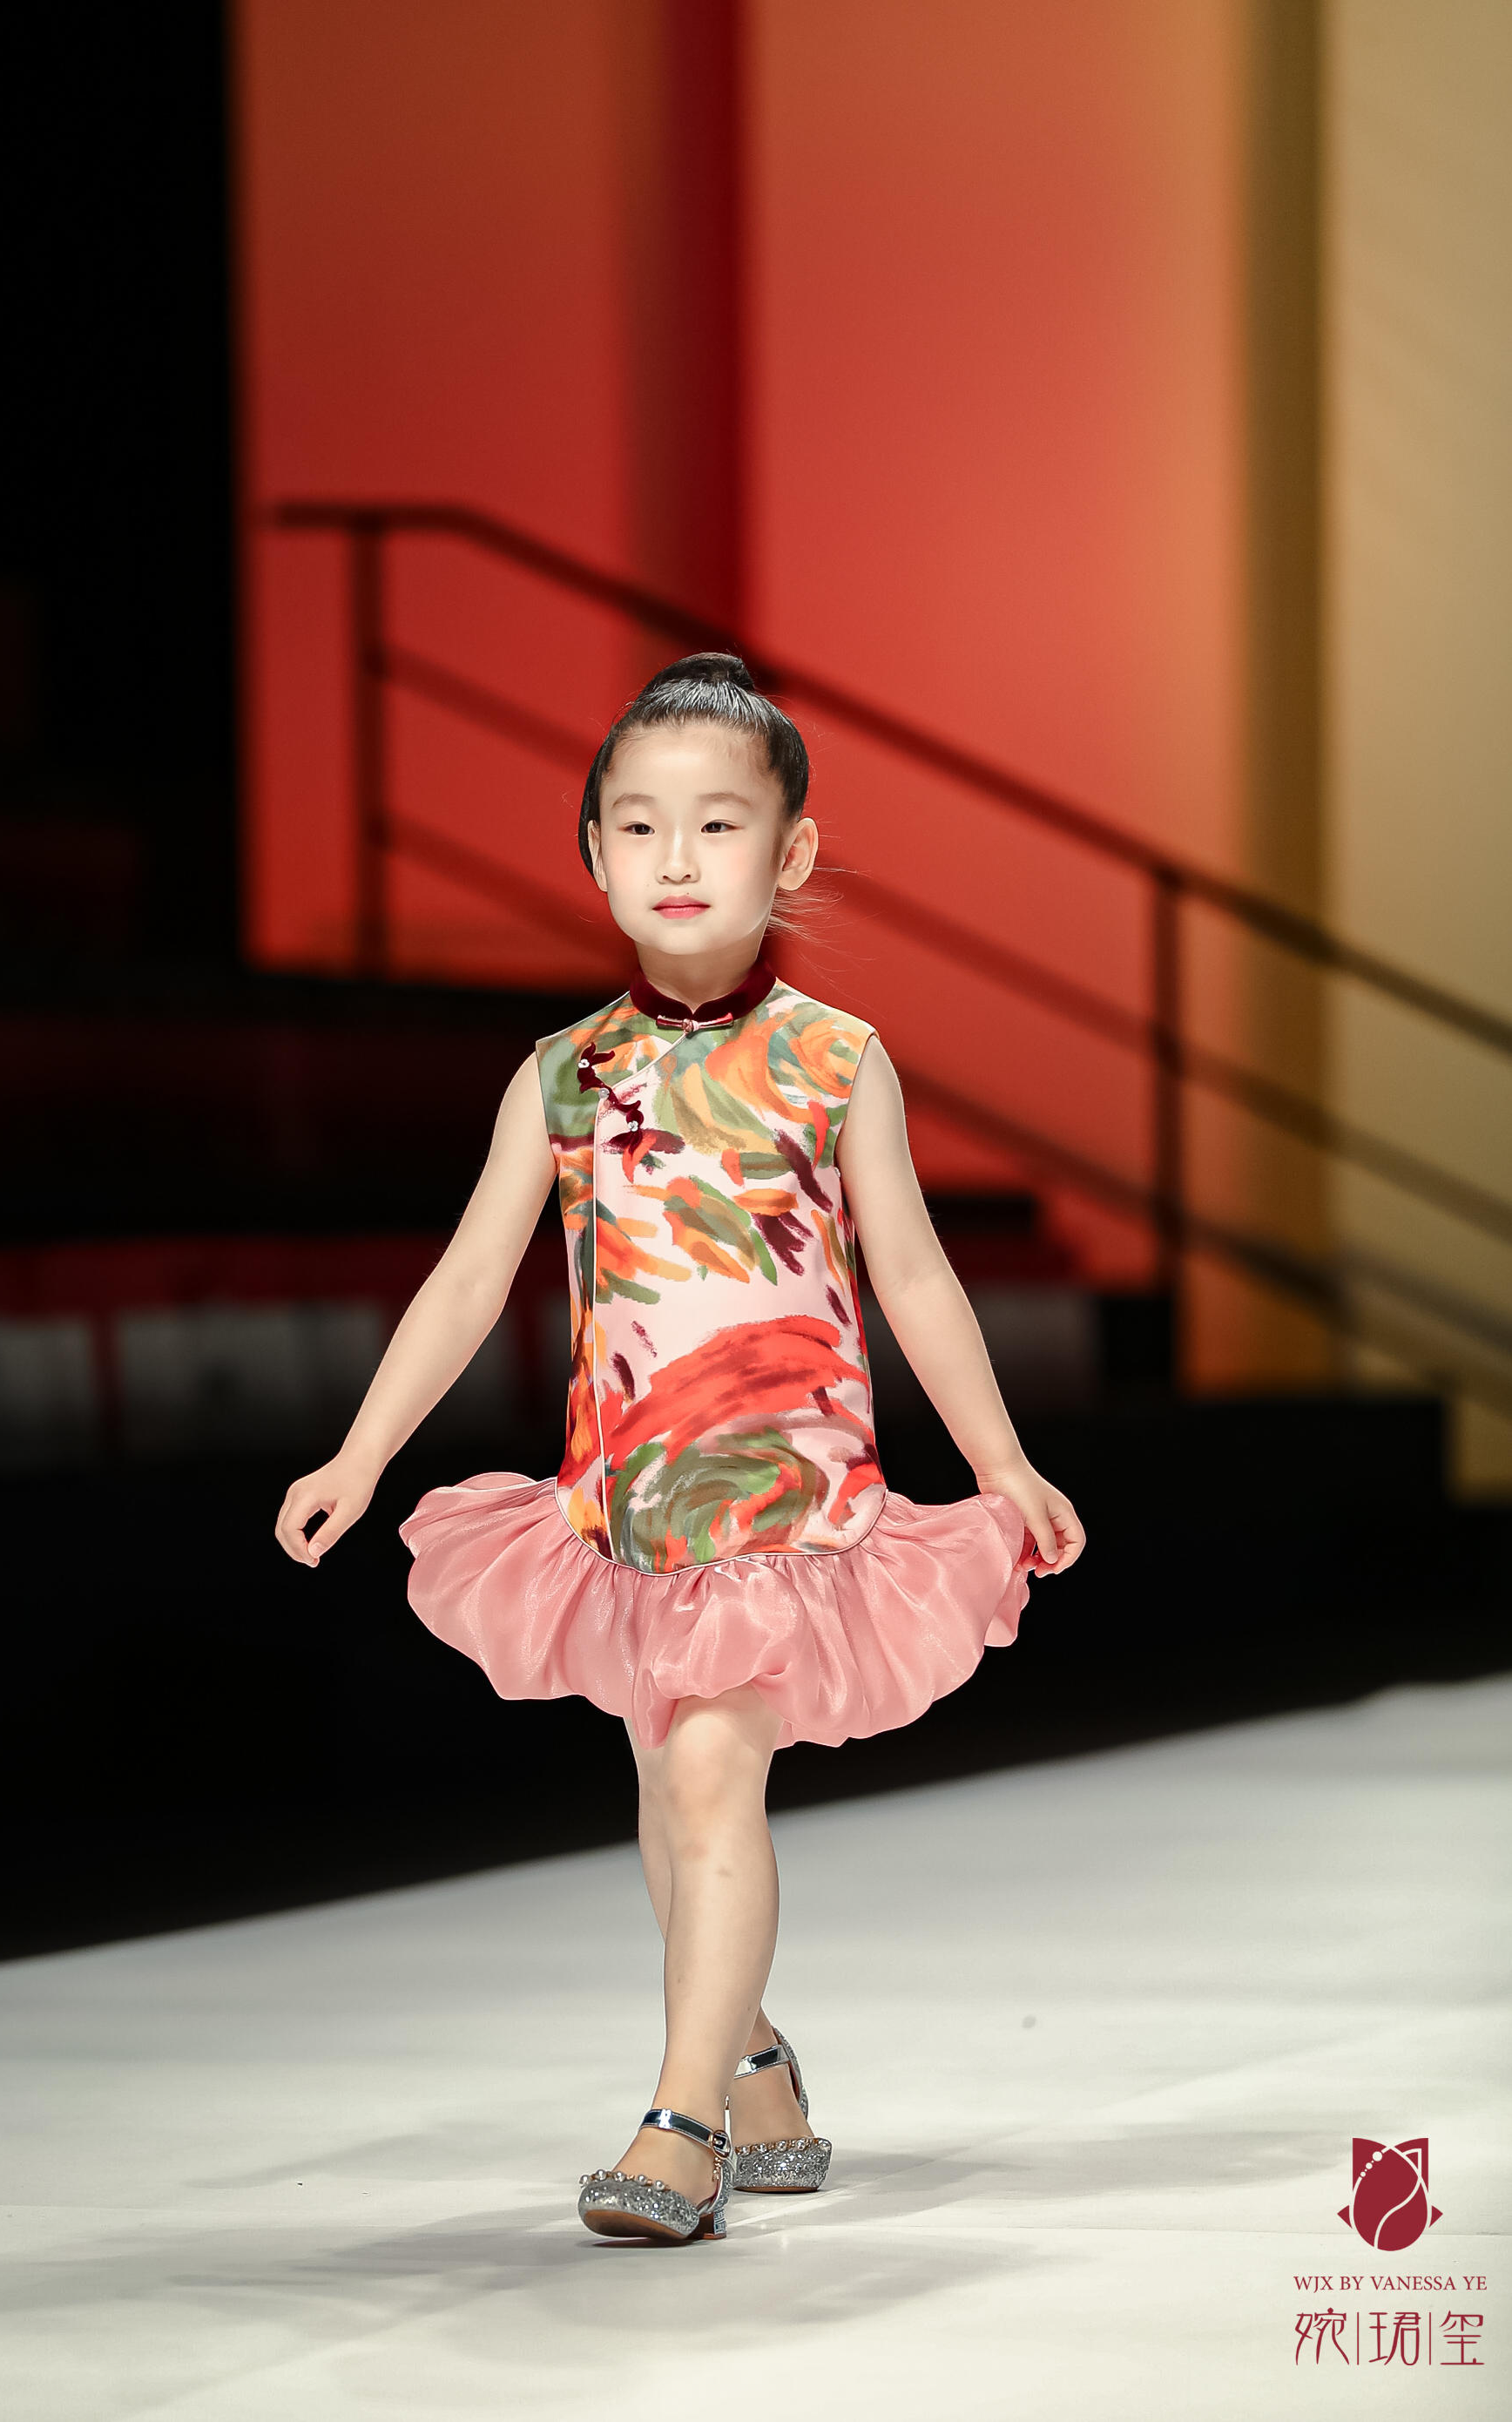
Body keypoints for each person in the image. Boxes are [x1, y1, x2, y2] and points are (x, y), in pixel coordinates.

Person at [275, 653, 1085, 2247]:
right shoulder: (564, 1075)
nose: (676, 857)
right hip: (631, 1505)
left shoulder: (836, 1059)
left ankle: (679, 2125)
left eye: (718, 824)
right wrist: (359, 1455)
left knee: (710, 1776)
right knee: (671, 1800)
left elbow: (914, 1276)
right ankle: (755, 2062)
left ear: (790, 851)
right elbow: (467, 1280)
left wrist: (1001, 1463)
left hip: (787, 1496)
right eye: (639, 825)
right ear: (593, 854)